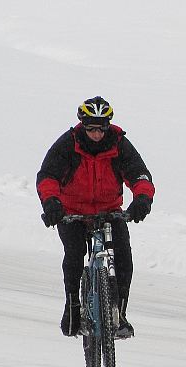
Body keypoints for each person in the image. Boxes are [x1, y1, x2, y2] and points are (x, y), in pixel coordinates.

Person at [37, 96, 155, 338]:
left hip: (109, 211)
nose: (97, 134)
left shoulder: (119, 144)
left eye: (101, 129)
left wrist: (142, 199)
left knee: (123, 258)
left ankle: (118, 315)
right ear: (83, 125)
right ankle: (72, 308)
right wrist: (52, 203)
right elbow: (48, 176)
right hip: (72, 212)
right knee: (74, 254)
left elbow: (139, 174)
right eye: (91, 129)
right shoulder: (67, 145)